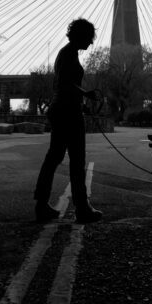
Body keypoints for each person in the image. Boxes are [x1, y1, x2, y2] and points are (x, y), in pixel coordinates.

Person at [34, 18, 104, 223]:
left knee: (55, 158)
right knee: (75, 160)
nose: (91, 43)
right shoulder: (68, 54)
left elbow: (65, 86)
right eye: (90, 38)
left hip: (64, 110)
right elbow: (65, 83)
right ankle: (82, 209)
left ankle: (42, 205)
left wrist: (81, 103)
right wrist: (86, 94)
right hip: (67, 113)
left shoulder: (68, 53)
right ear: (81, 36)